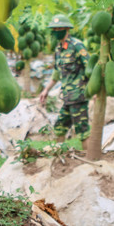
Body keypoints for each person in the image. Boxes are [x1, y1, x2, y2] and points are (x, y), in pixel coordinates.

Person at [38, 14, 90, 149]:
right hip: (67, 97)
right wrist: (46, 90)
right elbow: (56, 73)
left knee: (82, 130)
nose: (56, 32)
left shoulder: (77, 45)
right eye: (54, 29)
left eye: (59, 28)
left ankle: (90, 160)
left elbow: (90, 68)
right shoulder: (58, 49)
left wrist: (93, 91)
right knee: (59, 127)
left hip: (78, 96)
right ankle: (59, 155)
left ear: (67, 29)